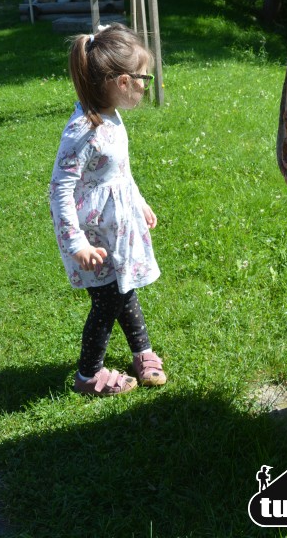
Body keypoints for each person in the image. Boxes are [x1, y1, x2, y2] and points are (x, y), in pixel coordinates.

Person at [49, 23, 166, 396]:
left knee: (123, 289)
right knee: (107, 301)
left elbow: (121, 172)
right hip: (96, 239)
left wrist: (139, 201)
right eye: (144, 78)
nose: (146, 86)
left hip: (120, 227)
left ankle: (141, 350)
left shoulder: (111, 116)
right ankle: (88, 375)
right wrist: (76, 244)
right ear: (123, 82)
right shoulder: (83, 130)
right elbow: (59, 189)